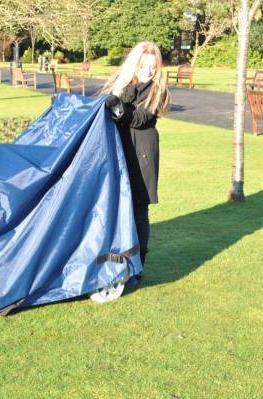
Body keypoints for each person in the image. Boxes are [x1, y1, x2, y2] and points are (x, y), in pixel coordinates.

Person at [99, 41, 171, 278]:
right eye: (144, 64)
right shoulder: (121, 85)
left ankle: (138, 264)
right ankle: (115, 257)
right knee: (116, 204)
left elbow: (140, 118)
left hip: (142, 153)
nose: (149, 70)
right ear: (135, 63)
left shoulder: (158, 90)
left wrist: (119, 109)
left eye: (154, 66)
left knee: (138, 208)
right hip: (119, 148)